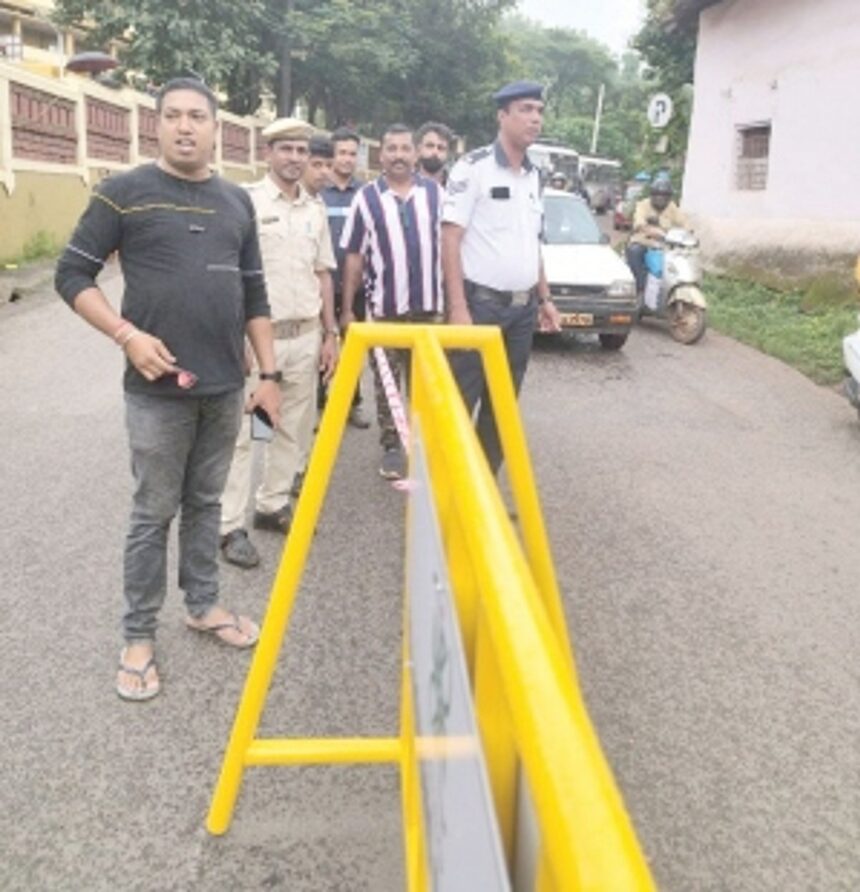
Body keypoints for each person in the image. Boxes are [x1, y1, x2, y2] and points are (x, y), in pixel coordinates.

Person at [54, 77, 282, 701]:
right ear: (156, 125)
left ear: (215, 129)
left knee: (207, 502)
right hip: (156, 394)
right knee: (153, 512)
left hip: (224, 388)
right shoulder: (123, 194)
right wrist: (127, 334)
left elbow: (255, 293)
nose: (186, 127)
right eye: (174, 116)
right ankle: (137, 636)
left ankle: (203, 604)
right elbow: (71, 272)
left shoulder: (237, 201)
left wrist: (267, 374)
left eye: (198, 117)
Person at [219, 117, 339, 569]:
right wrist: (238, 335)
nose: (294, 158)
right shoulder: (246, 203)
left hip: (305, 337)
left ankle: (272, 505)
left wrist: (331, 333)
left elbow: (322, 273)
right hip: (260, 340)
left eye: (300, 150)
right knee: (247, 435)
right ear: (266, 153)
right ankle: (230, 526)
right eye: (284, 149)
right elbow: (231, 276)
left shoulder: (315, 209)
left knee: (293, 426)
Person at [442, 80, 561, 475]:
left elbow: (532, 242)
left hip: (522, 312)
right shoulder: (471, 168)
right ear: (502, 116)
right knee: (461, 402)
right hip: (480, 307)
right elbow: (450, 238)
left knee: (502, 407)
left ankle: (484, 491)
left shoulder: (534, 175)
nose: (535, 118)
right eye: (526, 109)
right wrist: (458, 308)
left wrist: (544, 299)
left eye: (539, 111)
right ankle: (450, 495)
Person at [339, 123, 445, 480]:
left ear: (415, 154)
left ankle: (423, 445)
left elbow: (449, 248)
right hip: (382, 311)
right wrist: (347, 309)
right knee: (387, 384)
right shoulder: (366, 199)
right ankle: (392, 447)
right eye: (392, 149)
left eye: (405, 148)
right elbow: (353, 257)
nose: (399, 155)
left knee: (426, 382)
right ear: (381, 155)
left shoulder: (436, 195)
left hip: (429, 311)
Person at [321, 127, 370, 429]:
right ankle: (319, 403)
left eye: (353, 154)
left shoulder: (365, 194)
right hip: (321, 284)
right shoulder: (317, 190)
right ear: (331, 155)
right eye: (342, 153)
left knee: (353, 347)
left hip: (356, 287)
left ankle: (352, 403)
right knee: (320, 345)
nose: (347, 159)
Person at [626, 176, 687, 295]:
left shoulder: (672, 208)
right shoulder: (643, 205)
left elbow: (684, 225)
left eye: (664, 195)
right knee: (634, 251)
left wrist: (688, 235)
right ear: (652, 195)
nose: (660, 198)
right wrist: (651, 230)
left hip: (667, 246)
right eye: (657, 195)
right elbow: (639, 223)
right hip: (644, 242)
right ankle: (640, 289)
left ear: (669, 197)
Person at [415, 121, 454, 186]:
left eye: (441, 148)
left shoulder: (455, 187)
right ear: (419, 150)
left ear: (447, 153)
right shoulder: (403, 185)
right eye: (430, 146)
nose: (435, 152)